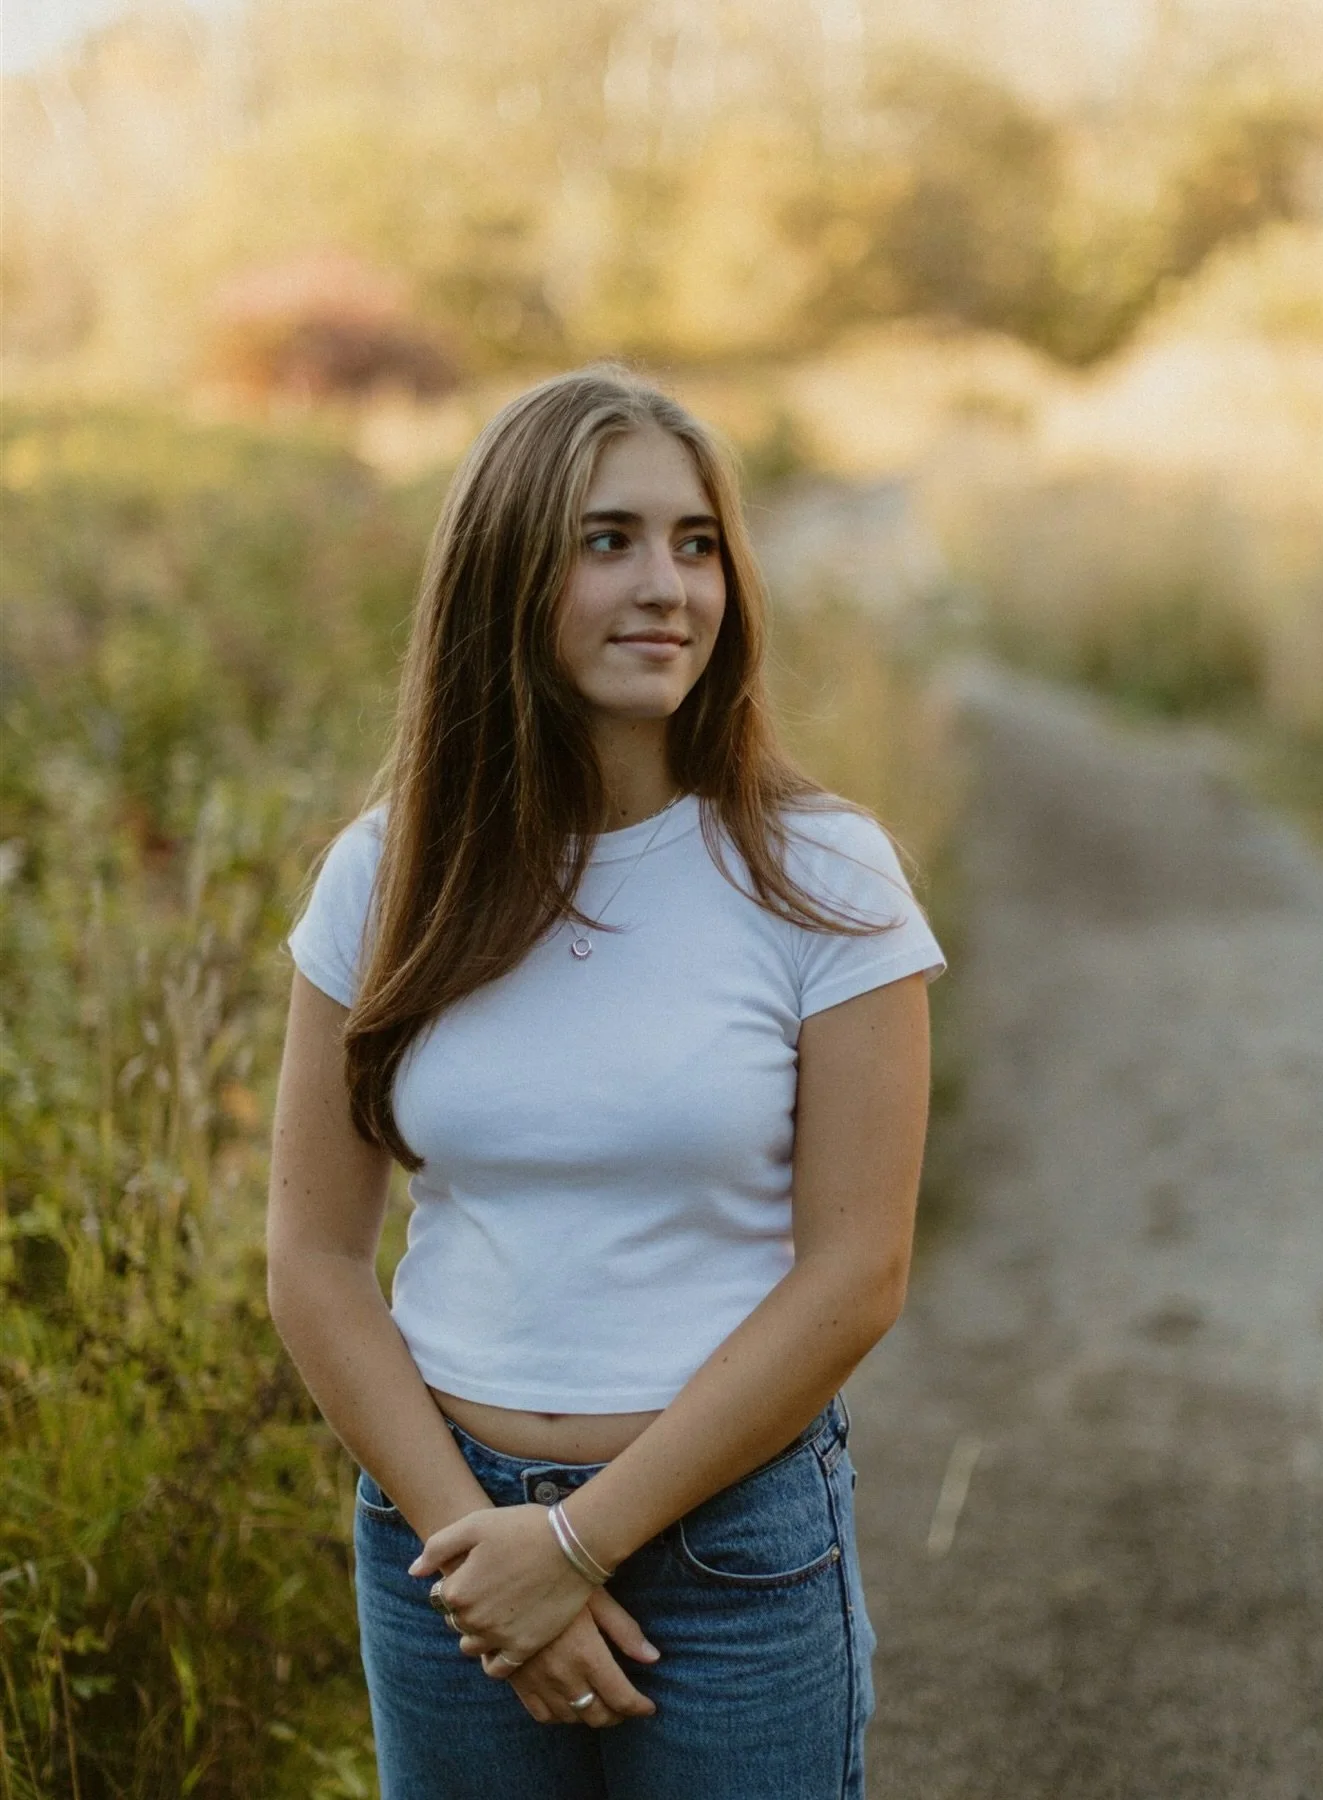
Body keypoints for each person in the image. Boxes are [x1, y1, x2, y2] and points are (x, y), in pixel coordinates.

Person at [267, 364, 946, 1800]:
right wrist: (485, 1555)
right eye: (608, 540)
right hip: (441, 1548)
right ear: (505, 572)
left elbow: (856, 1274)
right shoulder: (384, 878)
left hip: (735, 1554)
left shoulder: (825, 877)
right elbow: (315, 1258)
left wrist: (573, 1548)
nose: (668, 589)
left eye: (697, 545)